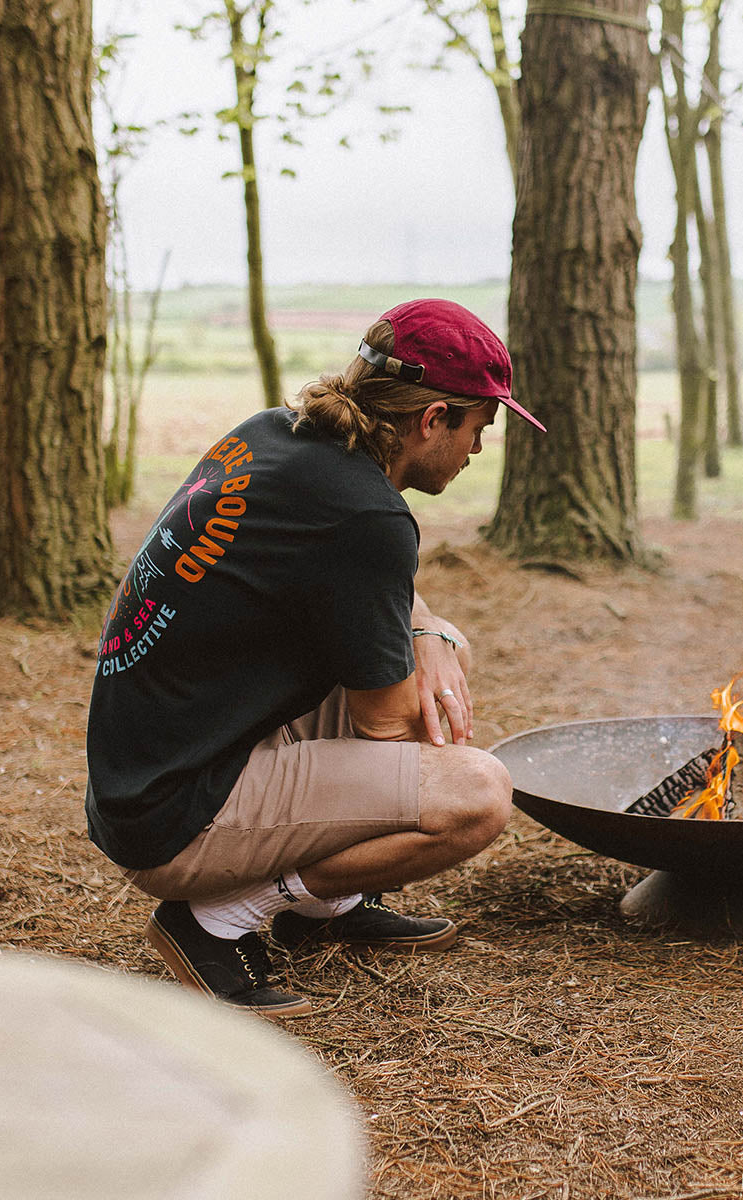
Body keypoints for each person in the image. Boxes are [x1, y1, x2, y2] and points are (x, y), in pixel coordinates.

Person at [84, 299, 546, 1017]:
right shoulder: (366, 515)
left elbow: (360, 589)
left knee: (439, 650)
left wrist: (430, 634)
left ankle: (330, 904)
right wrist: (433, 642)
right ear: (433, 419)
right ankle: (216, 919)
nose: (479, 449)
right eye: (480, 427)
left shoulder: (278, 436)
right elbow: (388, 724)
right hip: (177, 814)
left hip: (148, 768)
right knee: (477, 795)